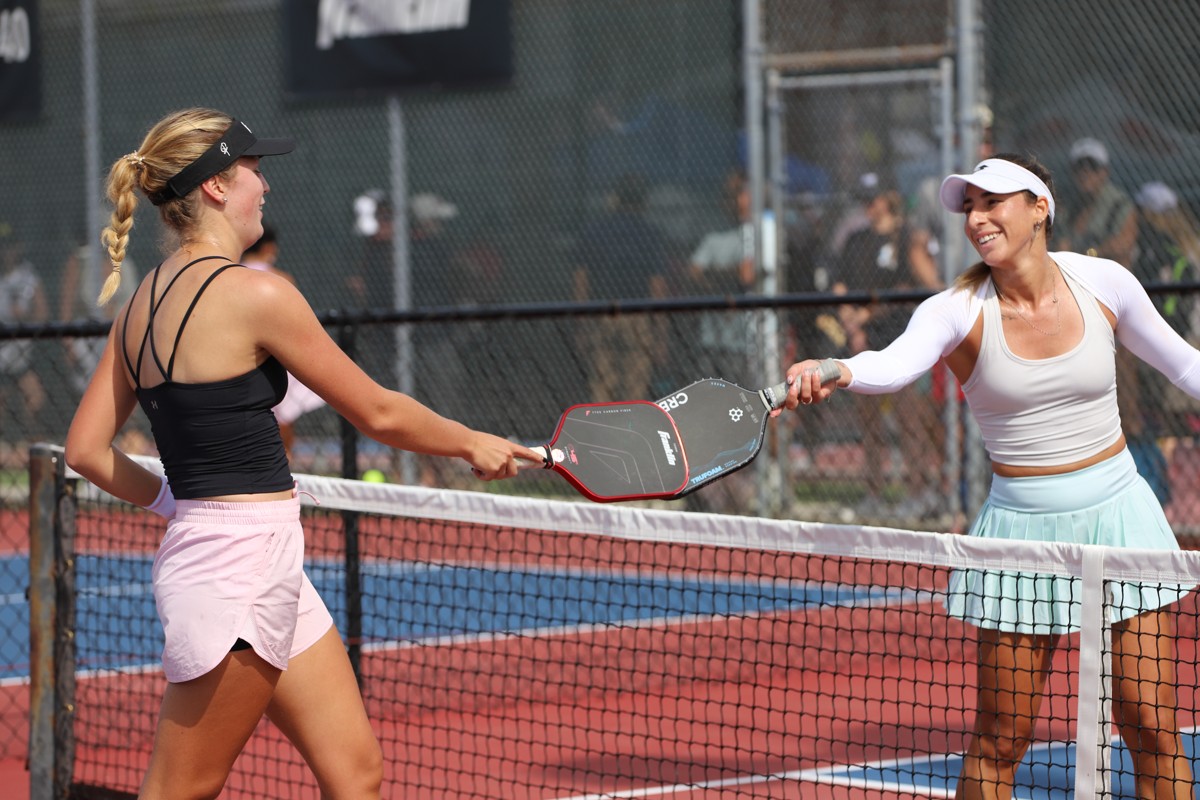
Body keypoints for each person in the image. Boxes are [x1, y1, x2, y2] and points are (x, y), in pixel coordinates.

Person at [63, 108, 540, 799]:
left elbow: (84, 450)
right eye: (254, 170)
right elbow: (375, 410)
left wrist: (177, 501)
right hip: (237, 572)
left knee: (355, 774)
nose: (265, 185)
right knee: (177, 791)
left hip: (246, 556)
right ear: (217, 188)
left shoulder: (139, 304)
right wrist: (470, 442)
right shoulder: (259, 293)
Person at [783, 153, 1196, 800]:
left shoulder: (1106, 282)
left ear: (1040, 208)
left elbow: (1184, 367)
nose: (976, 217)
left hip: (1124, 517)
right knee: (1002, 737)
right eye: (968, 206)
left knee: (1151, 726)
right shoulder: (954, 310)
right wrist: (839, 369)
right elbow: (894, 364)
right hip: (1019, 535)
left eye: (992, 201)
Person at [831, 179, 942, 521]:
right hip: (863, 340)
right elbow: (840, 283)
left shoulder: (908, 236)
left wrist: (867, 314)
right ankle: (874, 493)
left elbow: (909, 286)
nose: (868, 205)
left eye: (873, 198)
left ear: (888, 199)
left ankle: (919, 492)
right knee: (869, 424)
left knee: (910, 420)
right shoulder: (856, 239)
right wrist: (852, 321)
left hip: (900, 337)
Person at [572, 173, 670, 401]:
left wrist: (582, 325)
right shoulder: (649, 234)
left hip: (602, 313)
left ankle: (605, 433)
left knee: (602, 385)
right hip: (637, 315)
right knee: (635, 387)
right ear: (643, 202)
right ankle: (631, 433)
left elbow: (581, 281)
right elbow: (657, 287)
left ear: (615, 199)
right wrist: (661, 334)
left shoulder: (595, 231)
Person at [240, 225, 326, 463]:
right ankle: (284, 464)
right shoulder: (282, 279)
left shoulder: (227, 276)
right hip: (277, 363)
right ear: (269, 247)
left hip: (243, 366)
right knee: (283, 422)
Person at [0, 223, 48, 436]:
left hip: (21, 352)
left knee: (35, 397)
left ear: (18, 247)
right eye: (3, 247)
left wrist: (25, 316)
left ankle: (27, 439)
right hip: (1, 351)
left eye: (10, 246)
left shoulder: (28, 276)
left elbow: (43, 313)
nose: (6, 252)